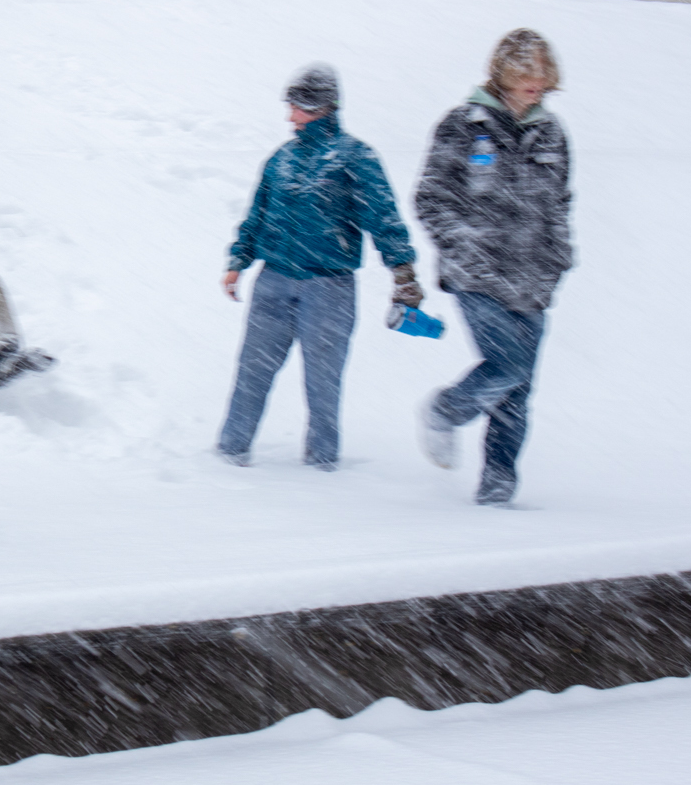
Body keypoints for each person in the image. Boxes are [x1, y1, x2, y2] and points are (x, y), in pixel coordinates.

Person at [217, 64, 419, 471]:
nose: (290, 116)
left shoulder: (355, 158)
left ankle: (322, 466)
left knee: (323, 381)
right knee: (252, 370)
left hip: (329, 287)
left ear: (321, 106)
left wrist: (403, 270)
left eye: (297, 107)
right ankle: (229, 452)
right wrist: (238, 261)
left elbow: (383, 217)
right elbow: (257, 214)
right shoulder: (281, 160)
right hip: (273, 280)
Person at [415, 29, 574, 506]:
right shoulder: (464, 125)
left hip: (533, 279)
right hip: (478, 277)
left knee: (518, 390)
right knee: (508, 366)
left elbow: (560, 204)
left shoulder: (552, 133)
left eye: (542, 72)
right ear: (504, 71)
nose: (535, 80)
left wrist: (558, 257)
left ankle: (498, 491)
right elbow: (430, 198)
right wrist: (466, 249)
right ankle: (444, 411)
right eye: (526, 70)